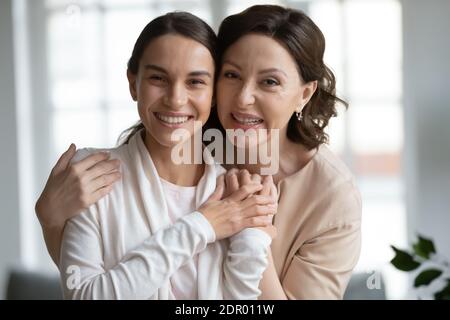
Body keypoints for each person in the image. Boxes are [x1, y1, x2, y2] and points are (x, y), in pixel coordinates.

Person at [36, 5, 362, 300]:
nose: (244, 98)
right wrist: (51, 220)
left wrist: (250, 226)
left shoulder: (333, 196)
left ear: (304, 94)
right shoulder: (186, 136)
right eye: (232, 75)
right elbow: (91, 276)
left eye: (270, 82)